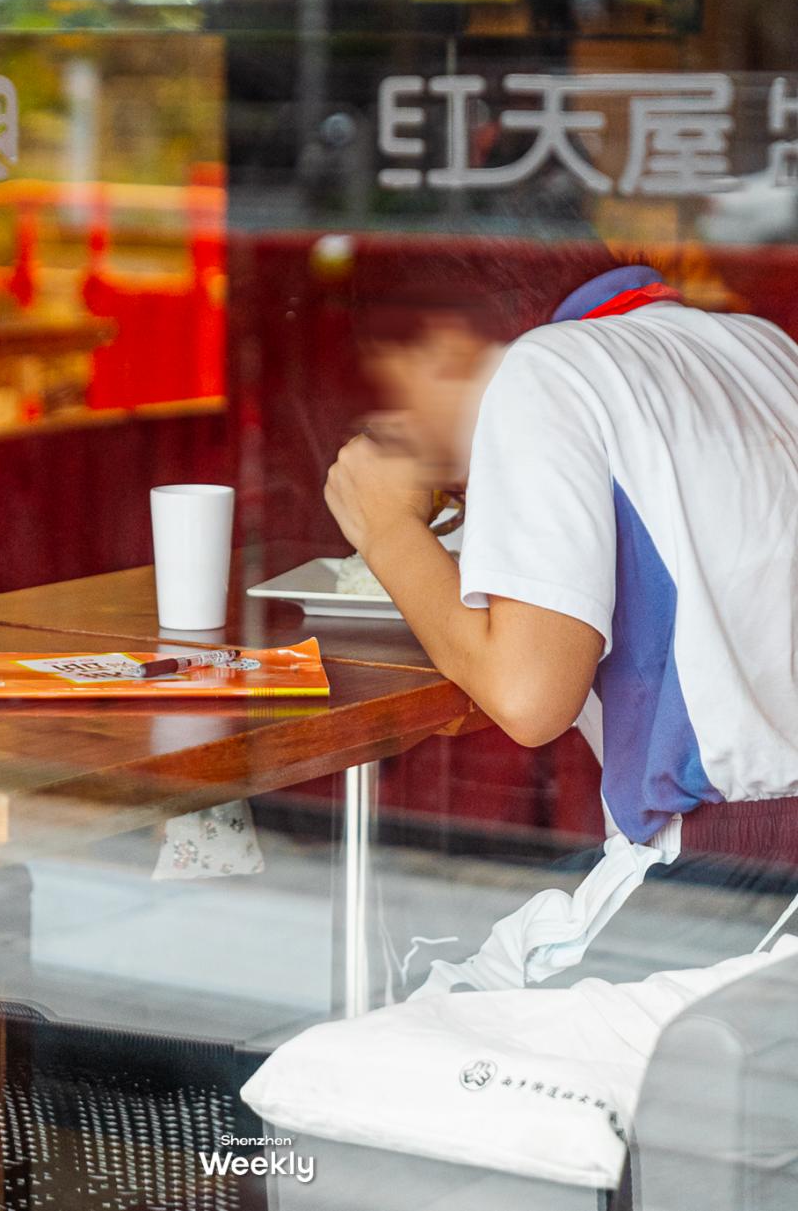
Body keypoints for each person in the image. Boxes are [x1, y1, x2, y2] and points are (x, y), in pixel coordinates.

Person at [324, 263, 798, 986]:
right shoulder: (757, 345)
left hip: (727, 868)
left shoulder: (545, 368)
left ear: (449, 344)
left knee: (416, 1027)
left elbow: (529, 696)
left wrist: (385, 527)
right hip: (758, 856)